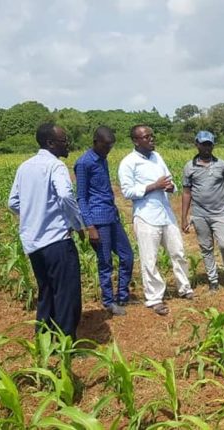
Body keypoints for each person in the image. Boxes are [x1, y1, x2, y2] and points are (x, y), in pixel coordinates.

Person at [8, 123, 85, 340]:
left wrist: (35, 213)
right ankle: (66, 344)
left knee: (47, 292)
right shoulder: (56, 166)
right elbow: (65, 196)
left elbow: (13, 202)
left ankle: (44, 339)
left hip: (33, 242)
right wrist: (77, 224)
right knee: (66, 293)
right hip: (56, 240)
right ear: (50, 143)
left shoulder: (25, 166)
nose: (67, 143)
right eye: (63, 140)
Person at [118, 124, 192, 316]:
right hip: (146, 216)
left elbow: (170, 180)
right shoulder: (128, 162)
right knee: (149, 260)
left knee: (178, 252)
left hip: (165, 213)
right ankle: (154, 298)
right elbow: (127, 191)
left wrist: (170, 187)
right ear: (135, 141)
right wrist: (153, 186)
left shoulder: (157, 157)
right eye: (146, 137)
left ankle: (185, 288)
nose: (152, 139)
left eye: (152, 136)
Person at [74, 126, 135, 316]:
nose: (108, 149)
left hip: (112, 215)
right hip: (98, 220)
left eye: (111, 146)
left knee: (127, 256)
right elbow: (81, 197)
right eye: (105, 145)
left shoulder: (102, 159)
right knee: (105, 262)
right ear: (95, 142)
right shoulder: (84, 163)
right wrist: (90, 226)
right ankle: (109, 302)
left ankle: (122, 295)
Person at [181, 130, 224, 292]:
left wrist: (218, 201)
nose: (206, 148)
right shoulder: (189, 167)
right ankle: (213, 281)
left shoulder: (222, 165)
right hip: (200, 214)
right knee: (206, 248)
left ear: (213, 145)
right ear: (197, 144)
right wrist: (184, 217)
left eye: (209, 144)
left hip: (220, 213)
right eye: (203, 144)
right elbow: (187, 192)